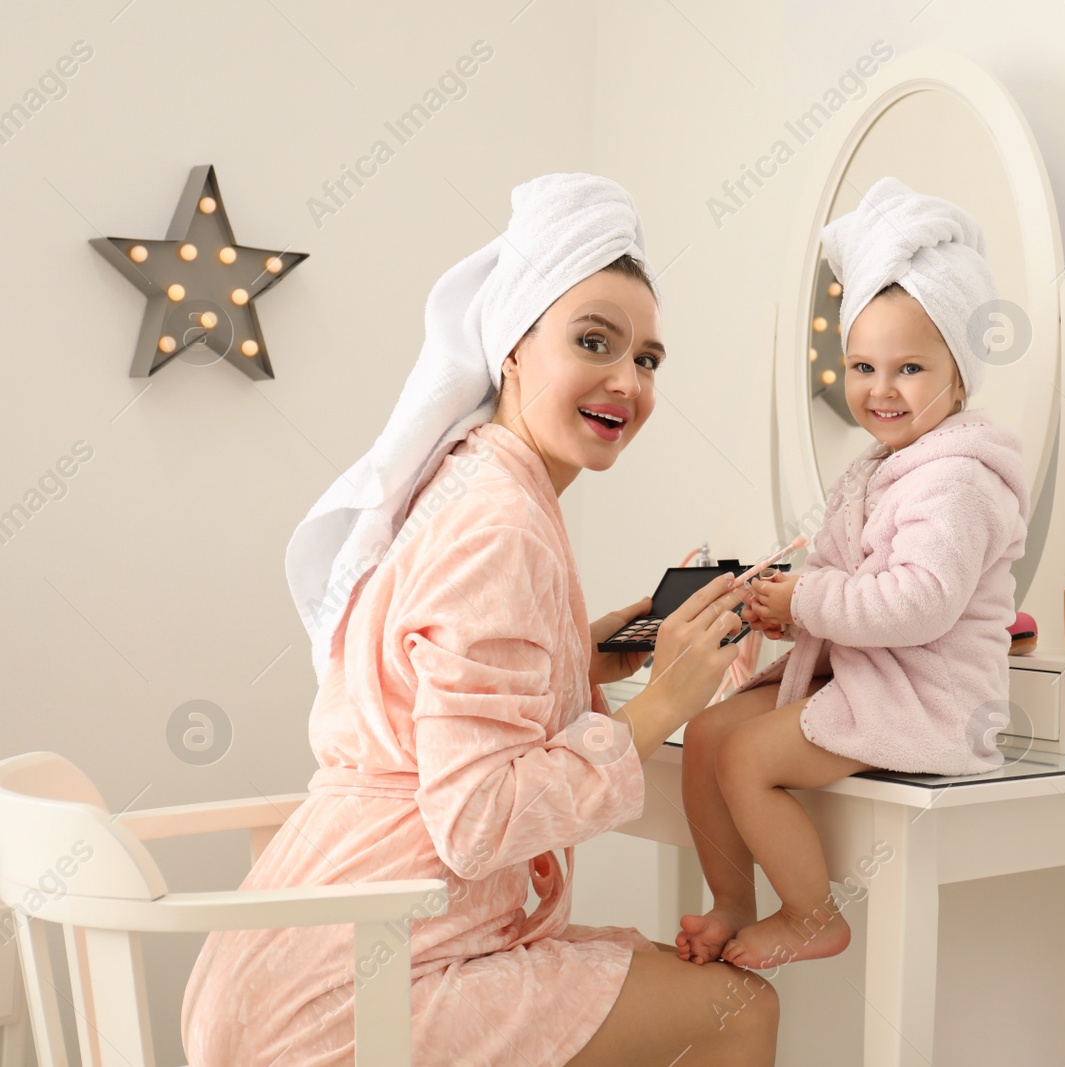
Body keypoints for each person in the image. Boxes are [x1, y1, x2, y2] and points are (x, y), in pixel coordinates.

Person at [181, 173, 778, 1067]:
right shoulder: (504, 523)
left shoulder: (464, 479)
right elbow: (476, 822)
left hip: (283, 960)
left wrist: (583, 660)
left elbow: (430, 687)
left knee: (663, 976)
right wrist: (666, 702)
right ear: (513, 350)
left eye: (648, 359)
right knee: (738, 1006)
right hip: (350, 996)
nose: (628, 380)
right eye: (594, 341)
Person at [675, 177, 1031, 971]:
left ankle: (811, 914)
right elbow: (848, 578)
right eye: (863, 366)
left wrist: (808, 599)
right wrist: (786, 610)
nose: (880, 389)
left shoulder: (957, 481)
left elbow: (920, 602)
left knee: (746, 757)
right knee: (705, 735)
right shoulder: (880, 468)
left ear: (961, 374)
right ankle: (732, 898)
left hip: (930, 695)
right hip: (866, 672)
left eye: (909, 368)